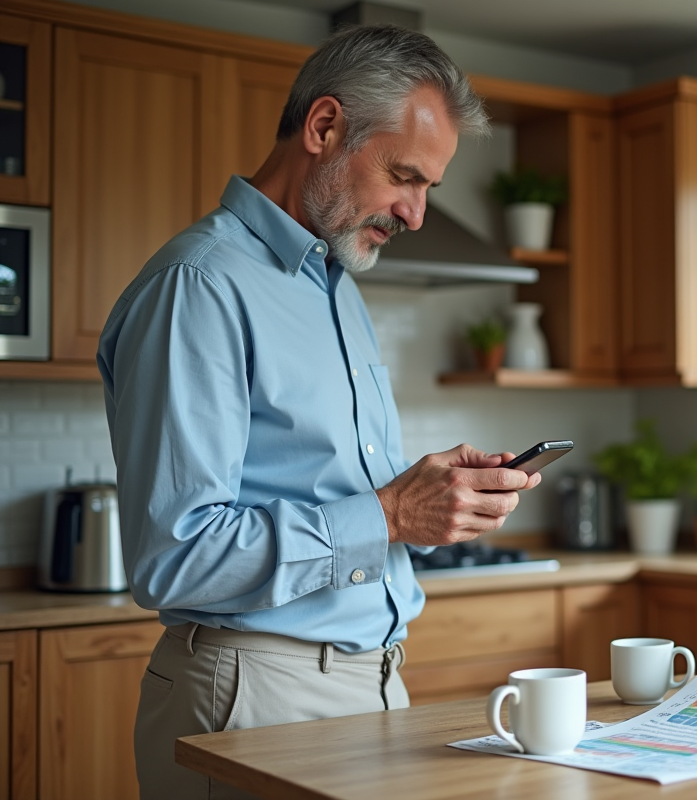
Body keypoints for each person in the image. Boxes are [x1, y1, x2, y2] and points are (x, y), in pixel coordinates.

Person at [96, 25, 539, 799]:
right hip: (256, 694)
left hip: (374, 686)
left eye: (430, 187)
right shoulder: (200, 286)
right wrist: (392, 514)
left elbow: (325, 493)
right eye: (406, 176)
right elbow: (175, 556)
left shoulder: (336, 283)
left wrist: (430, 502)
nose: (416, 214)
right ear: (324, 127)